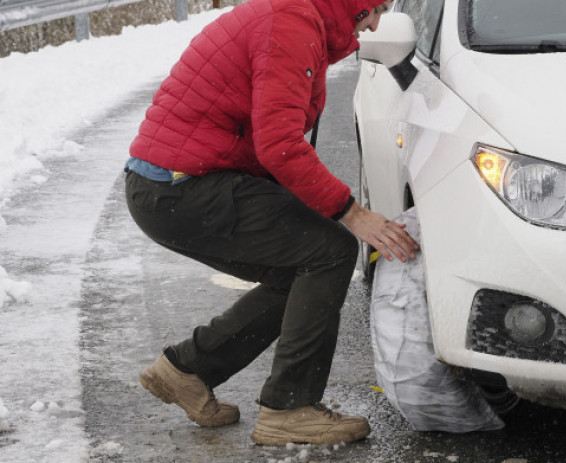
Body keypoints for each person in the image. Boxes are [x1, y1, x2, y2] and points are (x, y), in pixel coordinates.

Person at [123, 0, 418, 446]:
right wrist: (352, 213)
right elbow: (278, 143)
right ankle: (290, 410)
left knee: (298, 268)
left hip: (168, 188)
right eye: (374, 8)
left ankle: (189, 370)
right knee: (330, 251)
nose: (377, 22)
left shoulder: (298, 19)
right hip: (182, 188)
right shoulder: (291, 23)